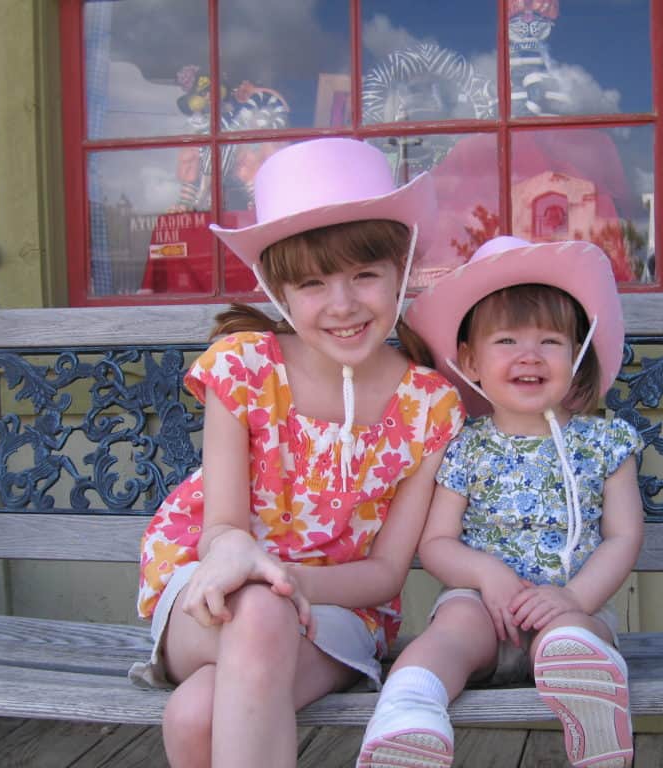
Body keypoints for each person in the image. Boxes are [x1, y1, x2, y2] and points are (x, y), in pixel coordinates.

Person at [130, 138, 466, 768]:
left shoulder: (429, 404)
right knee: (256, 614)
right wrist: (242, 564)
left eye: (364, 274)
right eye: (312, 283)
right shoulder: (245, 368)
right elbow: (223, 527)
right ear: (278, 290)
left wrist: (281, 584)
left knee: (195, 713)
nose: (342, 305)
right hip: (210, 589)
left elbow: (387, 573)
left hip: (339, 610)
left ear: (402, 268)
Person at [358, 235, 645, 768]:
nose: (529, 356)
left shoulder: (607, 442)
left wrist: (576, 599)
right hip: (481, 607)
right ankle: (409, 713)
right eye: (507, 341)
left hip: (567, 604)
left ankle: (592, 706)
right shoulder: (465, 445)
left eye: (552, 342)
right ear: (469, 360)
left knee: (576, 640)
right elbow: (438, 541)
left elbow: (623, 535)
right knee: (449, 634)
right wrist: (487, 575)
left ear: (578, 355)